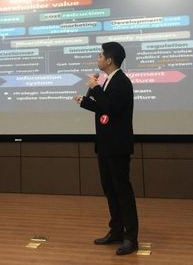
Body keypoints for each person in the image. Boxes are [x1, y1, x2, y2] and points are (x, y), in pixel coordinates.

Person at [73, 41, 139, 255]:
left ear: (110, 60)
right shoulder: (109, 80)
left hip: (117, 147)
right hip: (105, 145)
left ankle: (131, 238)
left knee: (122, 192)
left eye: (100, 55)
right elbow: (104, 107)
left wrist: (95, 88)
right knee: (110, 190)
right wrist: (85, 101)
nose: (98, 58)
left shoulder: (121, 82)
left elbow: (110, 107)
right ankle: (117, 231)